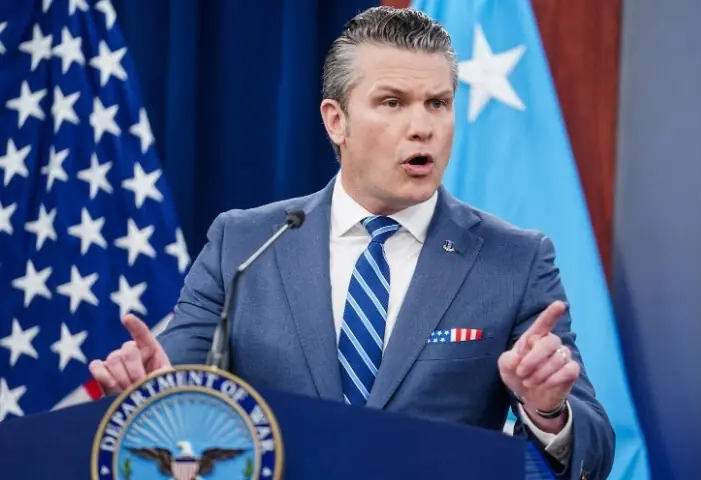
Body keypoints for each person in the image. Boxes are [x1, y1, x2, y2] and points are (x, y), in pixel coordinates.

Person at [88, 6, 614, 479]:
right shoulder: (244, 245)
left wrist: (548, 411)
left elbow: (593, 449)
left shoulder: (514, 260)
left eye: (437, 103)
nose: (421, 127)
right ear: (336, 121)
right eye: (392, 102)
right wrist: (152, 395)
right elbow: (173, 389)